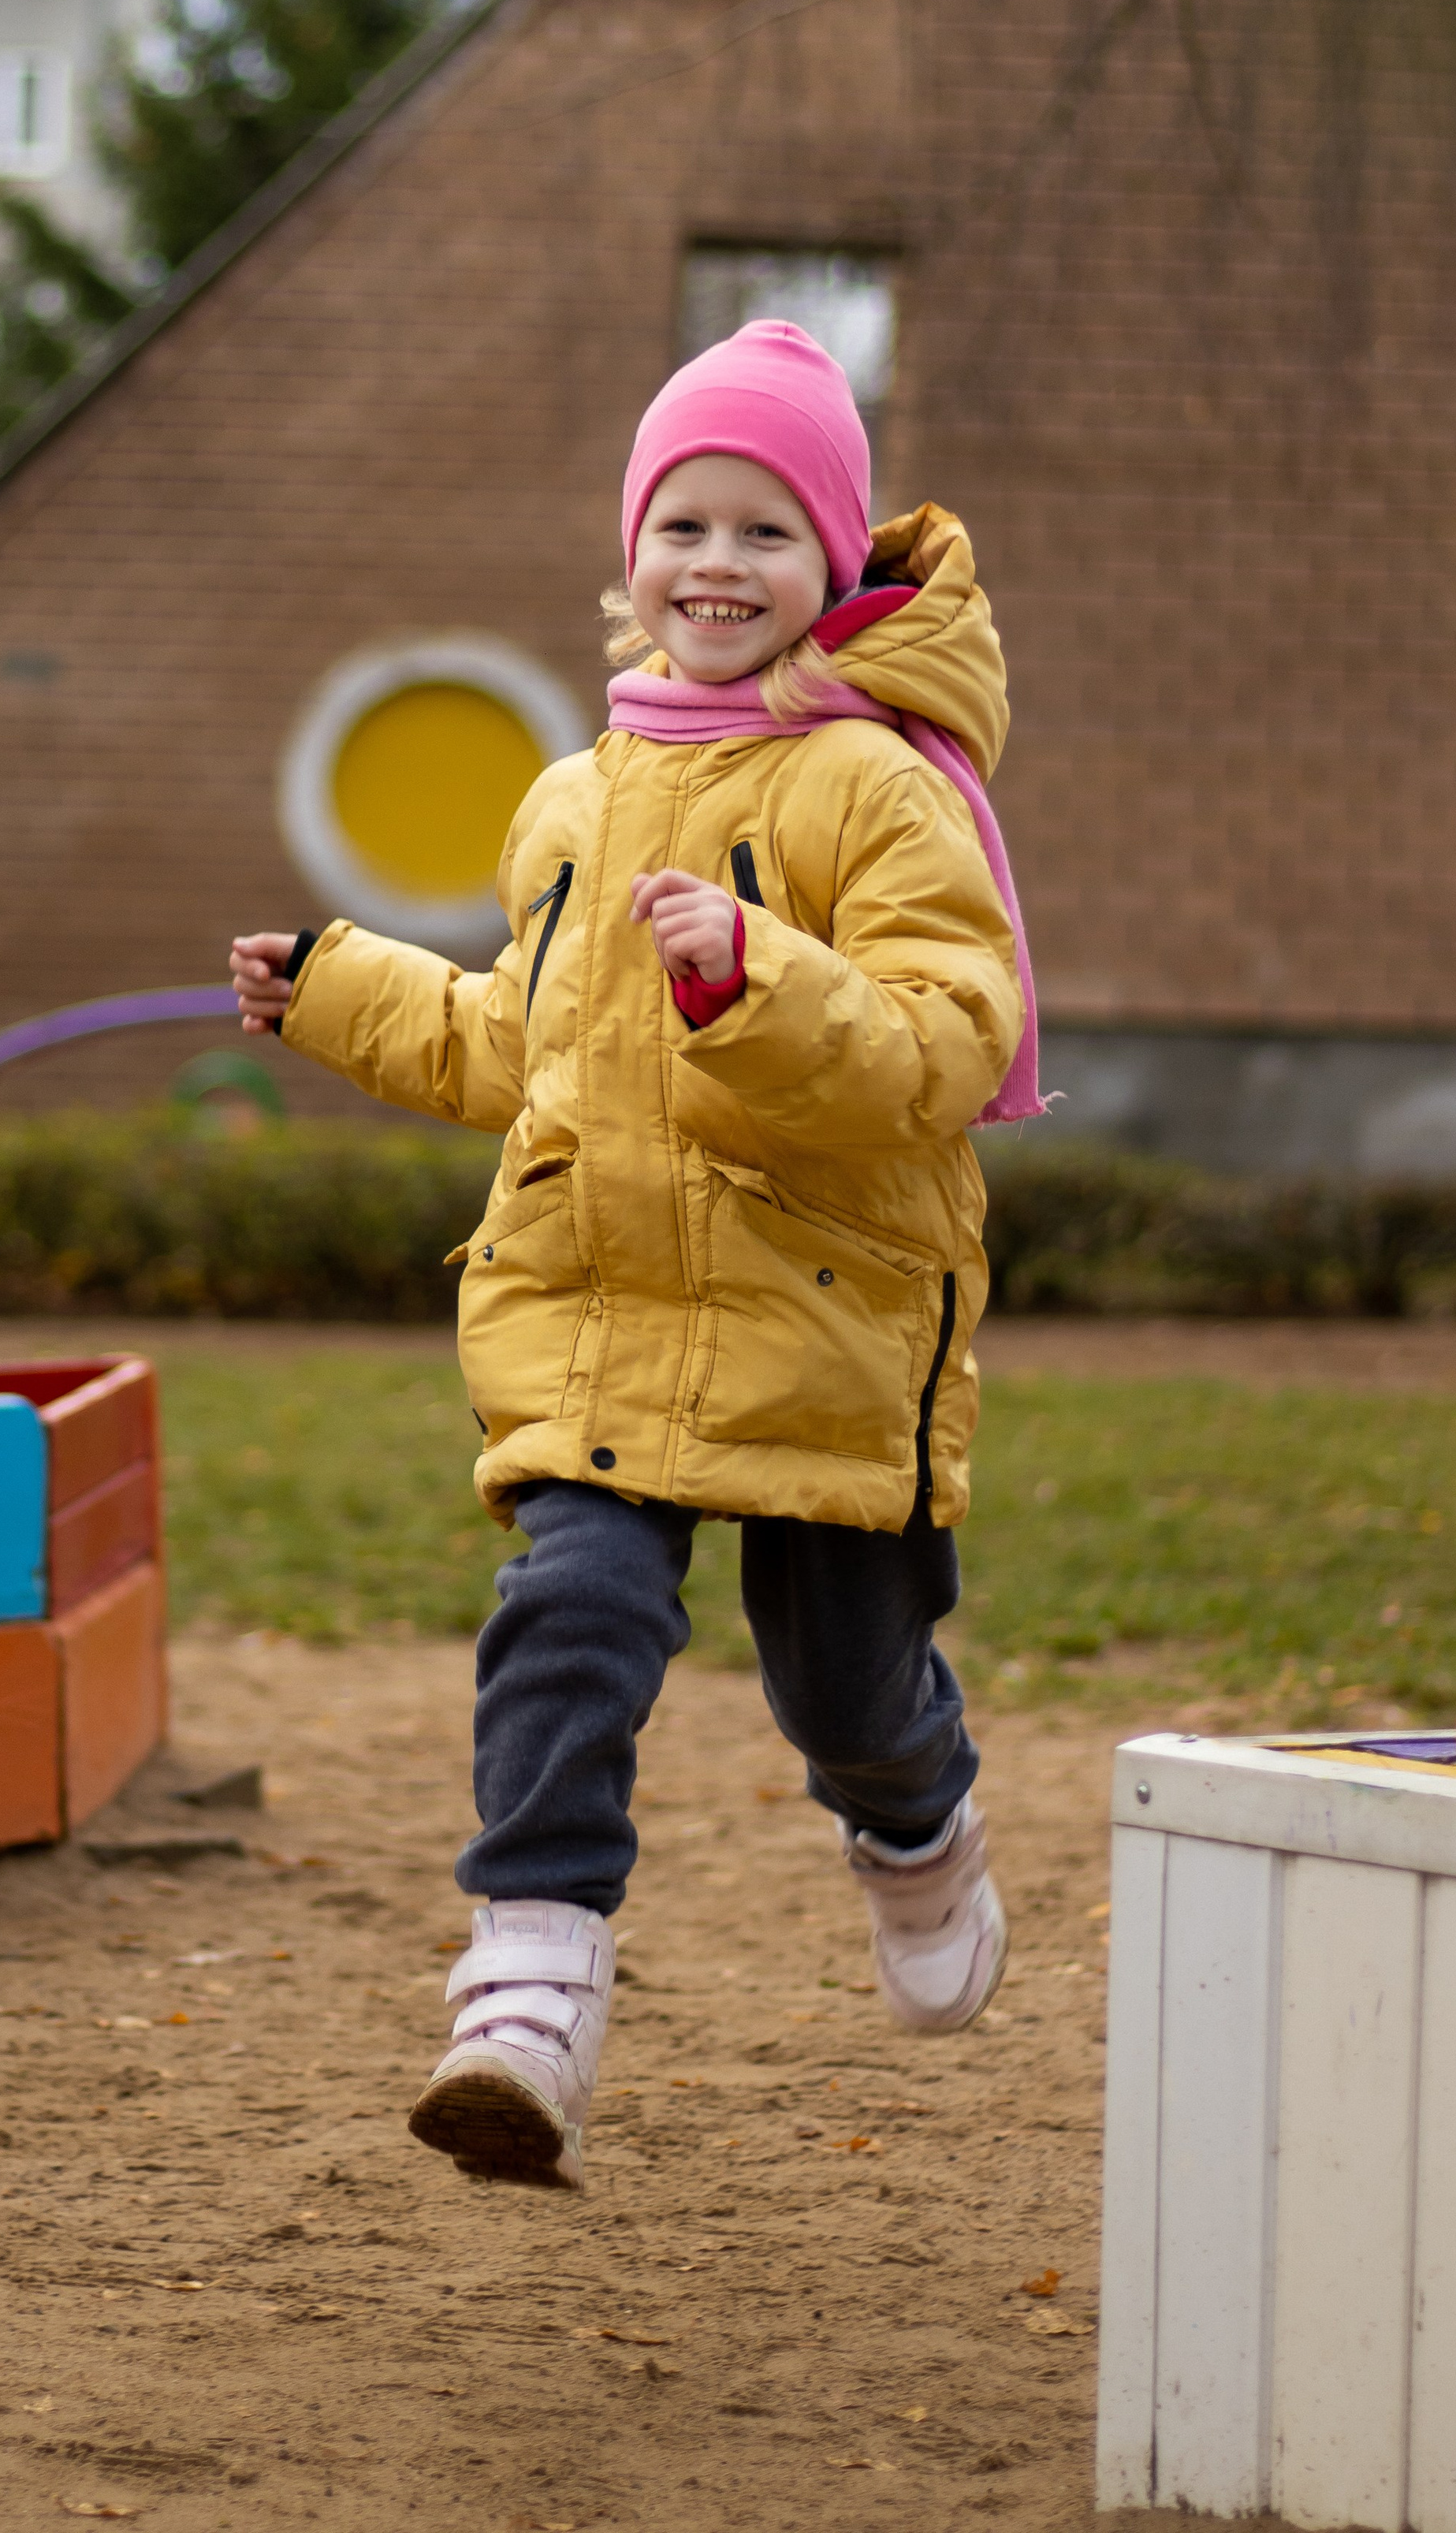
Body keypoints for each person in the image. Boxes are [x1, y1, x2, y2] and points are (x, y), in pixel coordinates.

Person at [229, 320, 1046, 2196]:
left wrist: (745, 976)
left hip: (821, 1313)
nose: (714, 564)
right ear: (630, 549)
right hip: (597, 1314)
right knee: (571, 1614)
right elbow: (520, 1050)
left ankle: (914, 1822)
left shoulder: (878, 790)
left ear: (830, 568)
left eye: (765, 530)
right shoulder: (570, 799)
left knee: (835, 1685)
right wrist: (337, 985)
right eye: (683, 519)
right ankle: (525, 1993)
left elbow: (940, 1041)